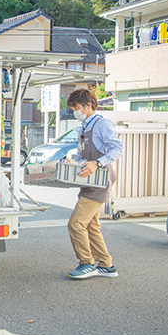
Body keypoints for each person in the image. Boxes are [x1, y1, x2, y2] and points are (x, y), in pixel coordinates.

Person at [66, 89, 123, 280]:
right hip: (89, 180)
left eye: (75, 108)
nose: (74, 112)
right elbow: (83, 155)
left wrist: (97, 163)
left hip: (100, 180)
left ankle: (87, 263)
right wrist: (74, 162)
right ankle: (106, 265)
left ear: (87, 105)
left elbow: (117, 149)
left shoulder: (102, 124)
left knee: (76, 223)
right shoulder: (84, 127)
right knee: (91, 225)